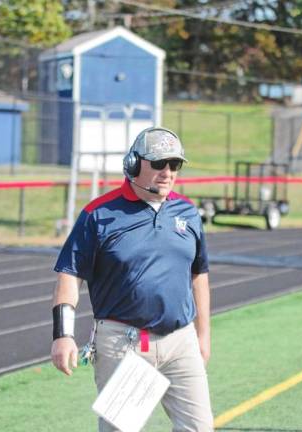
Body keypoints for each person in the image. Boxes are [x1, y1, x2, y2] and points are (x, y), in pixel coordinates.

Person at [51, 127, 213, 431]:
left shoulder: (188, 212)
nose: (167, 172)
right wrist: (62, 335)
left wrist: (203, 335)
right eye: (159, 163)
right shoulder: (99, 214)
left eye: (174, 164)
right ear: (133, 164)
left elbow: (199, 274)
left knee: (200, 428)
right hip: (126, 343)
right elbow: (70, 274)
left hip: (181, 341)